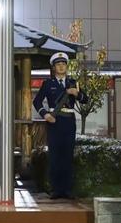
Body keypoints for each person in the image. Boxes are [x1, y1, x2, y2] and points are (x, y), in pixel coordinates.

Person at [33, 52, 88, 199]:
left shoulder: (73, 82)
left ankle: (67, 190)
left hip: (69, 121)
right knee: (55, 156)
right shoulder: (48, 84)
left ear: (66, 66)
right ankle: (56, 190)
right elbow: (37, 102)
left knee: (67, 156)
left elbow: (85, 100)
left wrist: (77, 93)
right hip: (54, 121)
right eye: (58, 64)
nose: (61, 67)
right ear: (54, 67)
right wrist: (45, 114)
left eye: (63, 64)